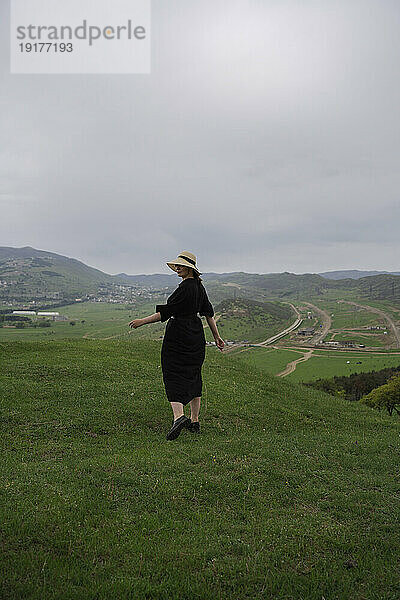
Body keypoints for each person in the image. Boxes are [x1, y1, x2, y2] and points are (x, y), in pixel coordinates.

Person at [129, 251, 224, 440]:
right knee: (194, 375)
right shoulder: (199, 287)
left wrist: (142, 321)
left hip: (178, 334)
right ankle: (194, 421)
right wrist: (217, 337)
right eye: (177, 265)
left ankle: (178, 417)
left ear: (190, 268)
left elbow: (165, 313)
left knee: (172, 372)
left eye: (180, 266)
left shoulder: (185, 287)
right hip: (196, 335)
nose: (177, 268)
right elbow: (208, 314)